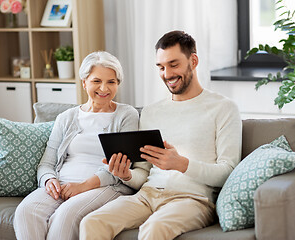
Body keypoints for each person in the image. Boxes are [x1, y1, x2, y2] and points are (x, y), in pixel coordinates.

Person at [79, 30, 242, 240]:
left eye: (174, 65)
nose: (167, 74)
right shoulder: (151, 112)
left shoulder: (224, 108)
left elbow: (228, 172)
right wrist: (125, 175)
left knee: (154, 228)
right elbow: (142, 175)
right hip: (147, 195)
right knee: (92, 222)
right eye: (161, 67)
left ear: (193, 61)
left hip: (192, 200)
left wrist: (181, 164)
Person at [13, 51, 149, 240]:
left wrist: (83, 186)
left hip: (105, 186)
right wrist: (48, 180)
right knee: (26, 211)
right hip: (62, 184)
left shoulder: (127, 115)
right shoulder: (66, 117)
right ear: (84, 82)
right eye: (96, 81)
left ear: (118, 84)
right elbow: (46, 163)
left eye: (111, 82)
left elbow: (118, 165)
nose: (104, 88)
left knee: (65, 216)